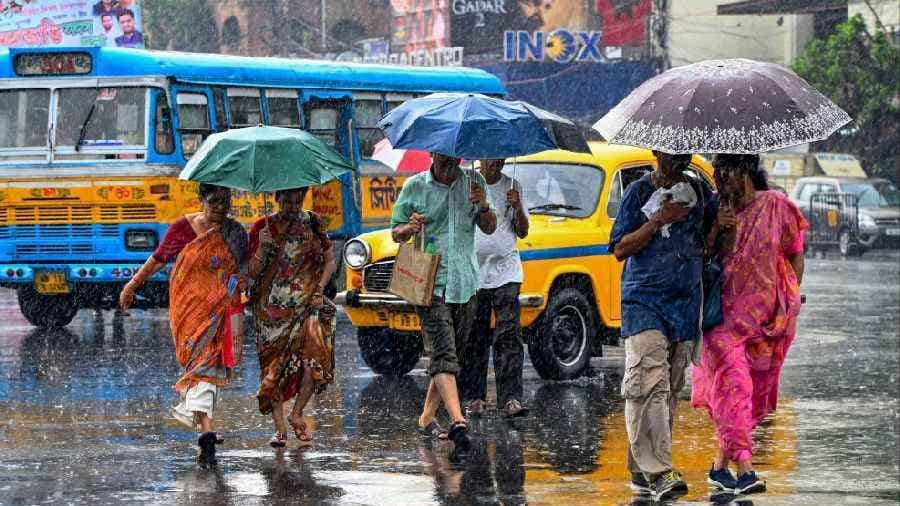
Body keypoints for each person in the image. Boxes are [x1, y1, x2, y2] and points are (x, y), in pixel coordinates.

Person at [692, 154, 807, 495]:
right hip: (720, 320)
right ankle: (744, 470)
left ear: (744, 170)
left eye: (726, 170)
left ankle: (718, 468)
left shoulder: (776, 206)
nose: (720, 177)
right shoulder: (712, 210)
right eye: (717, 171)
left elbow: (794, 251)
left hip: (764, 322)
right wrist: (717, 229)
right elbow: (699, 257)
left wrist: (790, 296)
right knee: (736, 386)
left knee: (744, 398)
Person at [609, 151, 717, 501]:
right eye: (671, 155)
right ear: (656, 153)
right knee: (646, 384)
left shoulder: (700, 193)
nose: (678, 160)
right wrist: (657, 220)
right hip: (644, 302)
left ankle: (642, 469)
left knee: (667, 391)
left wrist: (720, 226)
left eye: (684, 155)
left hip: (684, 306)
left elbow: (707, 249)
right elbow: (620, 248)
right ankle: (660, 471)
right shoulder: (638, 193)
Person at [119, 183, 248, 466]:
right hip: (188, 310)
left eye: (226, 202)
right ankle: (207, 428)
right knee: (201, 367)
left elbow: (244, 269)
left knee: (208, 367)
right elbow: (157, 260)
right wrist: (131, 285)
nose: (220, 208)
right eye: (214, 201)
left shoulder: (236, 233)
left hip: (220, 309)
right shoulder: (182, 228)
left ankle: (207, 431)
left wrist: (245, 284)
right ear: (201, 200)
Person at [391, 153, 497, 453]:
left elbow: (490, 227)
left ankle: (426, 418)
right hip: (430, 283)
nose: (449, 160)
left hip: (466, 281)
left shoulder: (474, 183)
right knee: (443, 353)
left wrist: (484, 205)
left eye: (454, 154)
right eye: (443, 154)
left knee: (451, 357)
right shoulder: (415, 187)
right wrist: (409, 228)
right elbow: (395, 231)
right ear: (432, 154)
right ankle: (458, 420)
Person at [247, 187, 337, 448]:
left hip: (308, 306)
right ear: (276, 198)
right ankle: (279, 429)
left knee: (314, 361)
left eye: (298, 201)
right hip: (270, 312)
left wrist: (319, 289)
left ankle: (297, 413)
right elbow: (252, 271)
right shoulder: (261, 228)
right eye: (287, 201)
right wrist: (263, 248)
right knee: (273, 370)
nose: (293, 206)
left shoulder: (313, 222)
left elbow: (330, 261)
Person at [460, 159, 530, 418]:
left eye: (500, 157)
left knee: (508, 335)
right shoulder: (467, 185)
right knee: (474, 337)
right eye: (491, 157)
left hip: (507, 271)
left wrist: (518, 206)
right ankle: (474, 397)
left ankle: (511, 398)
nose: (496, 163)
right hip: (474, 272)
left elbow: (522, 232)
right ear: (481, 159)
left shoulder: (513, 186)